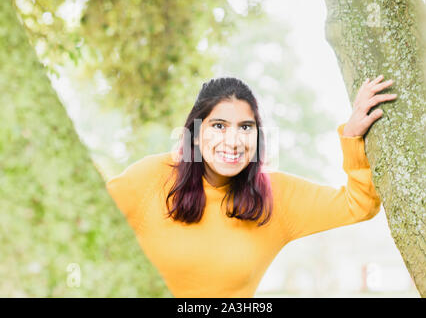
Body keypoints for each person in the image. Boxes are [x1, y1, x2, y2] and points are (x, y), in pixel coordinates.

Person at [106, 76, 397, 298]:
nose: (233, 141)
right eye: (219, 126)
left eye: (245, 127)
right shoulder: (152, 178)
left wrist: (352, 136)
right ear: (195, 133)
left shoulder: (274, 196)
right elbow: (79, 220)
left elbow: (358, 205)